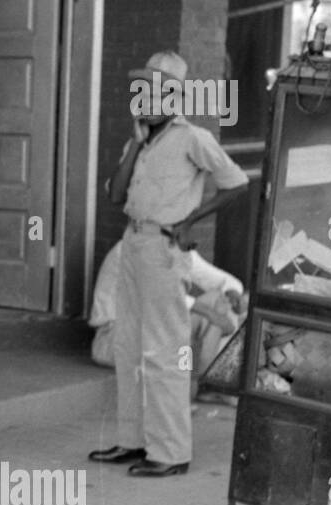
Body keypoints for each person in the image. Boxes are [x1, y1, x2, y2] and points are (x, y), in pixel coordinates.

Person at [90, 50, 249, 477]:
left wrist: (190, 220)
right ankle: (133, 441)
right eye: (142, 87)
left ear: (175, 96)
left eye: (156, 88)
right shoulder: (139, 140)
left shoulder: (193, 138)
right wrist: (135, 144)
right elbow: (115, 196)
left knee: (165, 350)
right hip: (132, 241)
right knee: (128, 347)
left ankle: (171, 452)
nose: (145, 95)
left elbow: (236, 182)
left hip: (164, 248)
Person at [89, 242, 247, 398]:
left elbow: (222, 280)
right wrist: (212, 314)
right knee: (191, 321)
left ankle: (201, 381)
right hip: (112, 340)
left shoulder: (176, 248)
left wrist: (233, 295)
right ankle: (188, 388)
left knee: (219, 300)